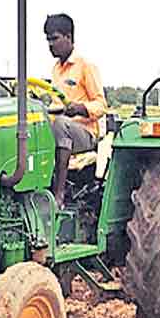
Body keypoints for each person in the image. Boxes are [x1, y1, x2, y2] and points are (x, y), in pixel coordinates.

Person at [45, 13, 108, 207]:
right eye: (47, 40)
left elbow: (101, 105)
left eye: (54, 38)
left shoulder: (86, 66)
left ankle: (59, 191)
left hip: (85, 133)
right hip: (61, 128)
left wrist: (80, 108)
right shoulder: (56, 69)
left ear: (69, 37)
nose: (50, 45)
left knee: (62, 125)